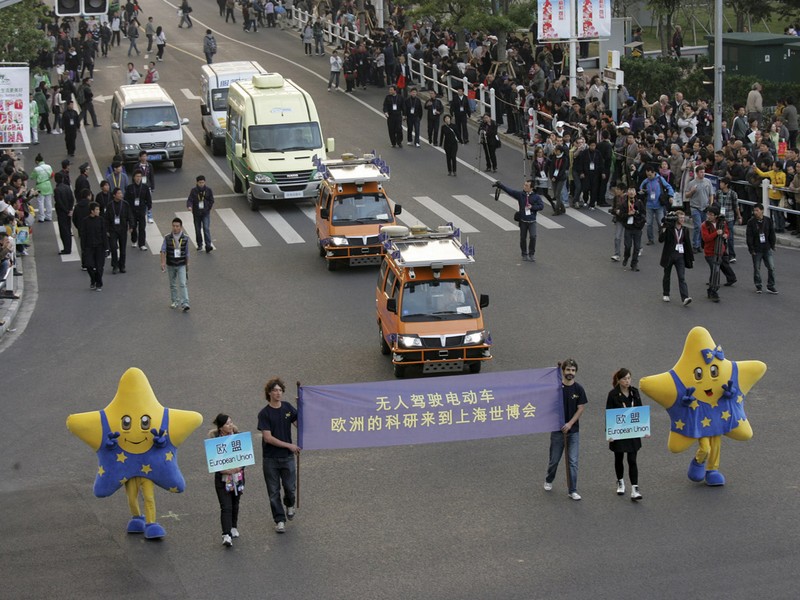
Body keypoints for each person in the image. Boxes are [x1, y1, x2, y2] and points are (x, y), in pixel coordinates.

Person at [257, 377, 300, 534]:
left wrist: (301, 406)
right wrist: (289, 445)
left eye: (280, 390)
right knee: (273, 491)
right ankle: (280, 520)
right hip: (270, 459)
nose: (278, 393)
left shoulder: (288, 408)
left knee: (290, 487)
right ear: (269, 393)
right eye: (275, 390)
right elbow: (268, 438)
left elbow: (300, 425)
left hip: (287, 457)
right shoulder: (264, 414)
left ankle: (290, 504)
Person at [544, 359, 587, 501]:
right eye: (568, 370)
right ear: (563, 371)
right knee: (554, 460)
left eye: (573, 370)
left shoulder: (579, 389)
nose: (570, 373)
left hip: (573, 431)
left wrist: (570, 424)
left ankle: (572, 490)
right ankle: (549, 479)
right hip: (557, 431)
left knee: (573, 461)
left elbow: (581, 408)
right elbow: (548, 405)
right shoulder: (556, 388)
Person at [606, 368, 644, 500]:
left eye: (629, 378)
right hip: (619, 431)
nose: (627, 381)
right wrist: (609, 433)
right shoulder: (613, 395)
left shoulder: (635, 393)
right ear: (619, 380)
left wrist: (644, 429)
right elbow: (609, 414)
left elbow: (640, 411)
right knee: (619, 458)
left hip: (632, 431)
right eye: (624, 379)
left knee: (632, 460)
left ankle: (635, 488)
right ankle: (620, 481)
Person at [209, 414, 244, 548]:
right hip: (222, 479)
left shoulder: (238, 438)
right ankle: (226, 534)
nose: (230, 425)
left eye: (231, 422)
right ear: (221, 427)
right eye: (227, 424)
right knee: (226, 506)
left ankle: (234, 527)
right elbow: (214, 462)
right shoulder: (215, 442)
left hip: (237, 477)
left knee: (235, 503)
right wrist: (225, 470)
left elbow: (245, 456)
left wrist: (239, 468)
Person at [494, 179, 544, 261]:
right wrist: (501, 185)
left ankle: (531, 254)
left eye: (526, 186)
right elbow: (510, 191)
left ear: (531, 188)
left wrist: (532, 207)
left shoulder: (536, 197)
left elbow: (541, 206)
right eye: (524, 185)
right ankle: (524, 253)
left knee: (533, 236)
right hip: (523, 221)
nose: (524, 186)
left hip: (532, 221)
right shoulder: (521, 194)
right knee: (523, 238)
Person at [701, 205, 737, 302]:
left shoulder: (721, 223)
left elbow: (726, 232)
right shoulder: (705, 225)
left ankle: (711, 290)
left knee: (715, 270)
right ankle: (713, 290)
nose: (709, 216)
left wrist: (725, 235)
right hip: (710, 252)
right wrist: (716, 233)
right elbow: (706, 239)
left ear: (716, 216)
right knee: (715, 270)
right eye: (708, 214)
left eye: (711, 215)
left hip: (720, 251)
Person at [658, 210, 694, 305]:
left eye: (683, 218)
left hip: (680, 256)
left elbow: (688, 244)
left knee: (682, 277)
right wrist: (665, 226)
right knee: (667, 275)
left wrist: (691, 257)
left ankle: (685, 297)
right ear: (676, 218)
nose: (682, 220)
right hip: (669, 255)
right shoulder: (669, 228)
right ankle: (666, 293)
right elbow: (661, 239)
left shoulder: (685, 230)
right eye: (680, 218)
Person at [745, 203, 778, 294]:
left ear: (762, 211)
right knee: (757, 268)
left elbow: (772, 233)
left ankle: (771, 286)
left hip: (766, 248)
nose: (755, 212)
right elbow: (749, 237)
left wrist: (773, 245)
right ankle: (758, 285)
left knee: (771, 267)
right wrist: (751, 249)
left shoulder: (768, 220)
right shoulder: (751, 222)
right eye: (754, 211)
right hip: (757, 249)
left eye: (757, 210)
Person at [160, 217, 191, 310]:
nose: (175, 228)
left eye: (177, 226)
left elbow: (187, 252)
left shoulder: (185, 238)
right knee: (172, 284)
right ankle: (174, 301)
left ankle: (185, 303)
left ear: (181, 227)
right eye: (173, 226)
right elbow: (162, 250)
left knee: (182, 283)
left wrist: (187, 264)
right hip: (171, 264)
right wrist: (163, 263)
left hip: (181, 264)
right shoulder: (167, 237)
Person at [640, 164, 674, 245]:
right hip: (649, 205)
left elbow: (669, 187)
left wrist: (671, 196)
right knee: (649, 224)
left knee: (661, 222)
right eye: (647, 175)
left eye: (650, 175)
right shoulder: (646, 181)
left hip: (659, 205)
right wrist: (642, 192)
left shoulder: (660, 179)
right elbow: (641, 188)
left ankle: (662, 236)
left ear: (654, 173)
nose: (649, 177)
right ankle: (650, 239)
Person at [683, 165, 714, 251]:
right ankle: (695, 245)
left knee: (703, 226)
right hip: (695, 207)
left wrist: (710, 204)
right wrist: (692, 191)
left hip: (705, 207)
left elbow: (711, 194)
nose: (703, 174)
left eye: (704, 172)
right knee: (698, 226)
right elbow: (686, 195)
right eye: (701, 172)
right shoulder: (691, 183)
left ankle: (700, 244)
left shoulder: (708, 182)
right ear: (697, 173)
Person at [80, 201, 108, 291]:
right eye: (97, 209)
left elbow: (104, 234)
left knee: (99, 267)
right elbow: (83, 235)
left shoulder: (101, 220)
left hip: (100, 247)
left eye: (99, 209)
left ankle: (99, 283)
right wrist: (83, 248)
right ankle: (93, 279)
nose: (98, 211)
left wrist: (106, 248)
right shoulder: (85, 221)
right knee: (89, 265)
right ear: (92, 211)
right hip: (89, 247)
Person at [105, 187, 132, 274]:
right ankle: (115, 266)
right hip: (113, 230)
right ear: (114, 195)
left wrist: (131, 226)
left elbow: (129, 215)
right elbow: (106, 218)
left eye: (121, 193)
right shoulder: (110, 205)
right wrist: (107, 230)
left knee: (123, 249)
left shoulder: (125, 204)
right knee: (113, 248)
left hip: (123, 229)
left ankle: (122, 265)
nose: (121, 195)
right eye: (119, 193)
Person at [617, 186, 646, 271]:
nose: (631, 192)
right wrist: (628, 214)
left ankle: (634, 264)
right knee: (628, 246)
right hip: (628, 228)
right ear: (627, 192)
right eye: (630, 190)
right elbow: (621, 216)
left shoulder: (639, 203)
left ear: (635, 193)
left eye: (633, 190)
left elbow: (644, 214)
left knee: (637, 247)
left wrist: (640, 220)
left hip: (637, 228)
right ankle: (626, 257)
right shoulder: (624, 204)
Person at [125, 169, 152, 251]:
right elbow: (126, 199)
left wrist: (149, 207)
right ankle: (134, 241)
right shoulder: (129, 188)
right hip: (132, 211)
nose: (138, 178)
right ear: (134, 177)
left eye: (140, 176)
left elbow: (148, 198)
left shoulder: (145, 187)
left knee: (142, 228)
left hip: (141, 210)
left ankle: (142, 244)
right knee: (133, 226)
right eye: (137, 176)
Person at [186, 175, 215, 253]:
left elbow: (211, 200)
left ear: (205, 182)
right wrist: (189, 206)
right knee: (197, 229)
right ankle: (199, 244)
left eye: (202, 182)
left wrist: (208, 207)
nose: (201, 184)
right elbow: (190, 200)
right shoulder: (193, 191)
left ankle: (208, 245)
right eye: (200, 183)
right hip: (196, 213)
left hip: (205, 212)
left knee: (206, 228)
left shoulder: (208, 190)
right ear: (197, 182)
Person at [54, 172, 75, 255]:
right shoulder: (67, 187)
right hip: (68, 212)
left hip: (62, 213)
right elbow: (72, 199)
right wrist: (70, 209)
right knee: (68, 230)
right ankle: (68, 247)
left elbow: (59, 202)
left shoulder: (57, 190)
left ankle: (66, 248)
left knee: (63, 231)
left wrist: (66, 210)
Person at [31, 154, 54, 222]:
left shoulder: (36, 169)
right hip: (48, 184)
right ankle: (49, 216)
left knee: (40, 202)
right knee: (48, 201)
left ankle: (41, 217)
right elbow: (52, 174)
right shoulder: (48, 166)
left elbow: (32, 177)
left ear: (37, 161)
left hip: (40, 186)